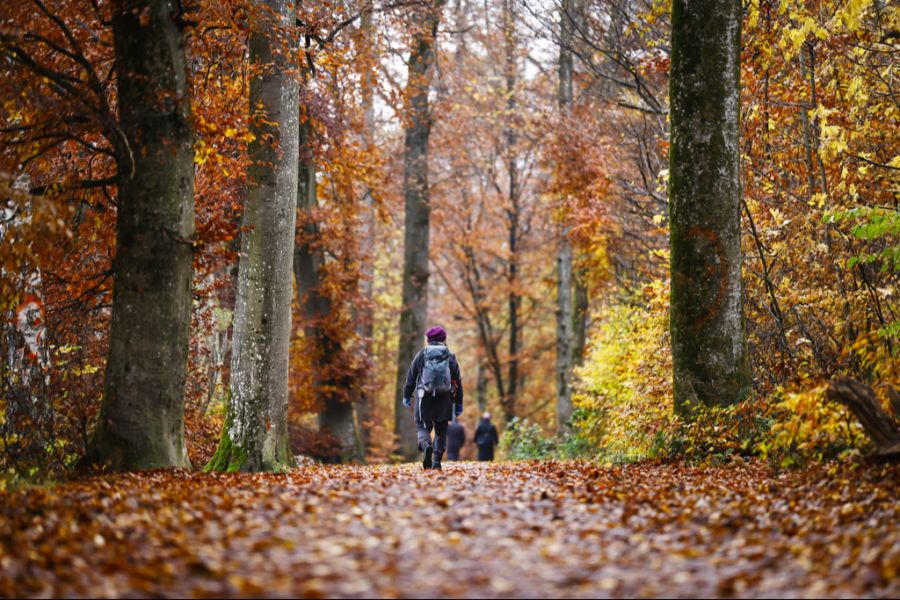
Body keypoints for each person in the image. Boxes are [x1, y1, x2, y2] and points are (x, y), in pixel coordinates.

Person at [402, 326, 464, 470]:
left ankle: (426, 446)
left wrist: (407, 395)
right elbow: (458, 382)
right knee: (441, 431)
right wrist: (459, 404)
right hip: (445, 400)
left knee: (422, 427)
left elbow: (411, 377)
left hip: (424, 398)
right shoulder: (450, 357)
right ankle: (436, 462)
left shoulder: (422, 355)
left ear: (428, 340)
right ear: (444, 339)